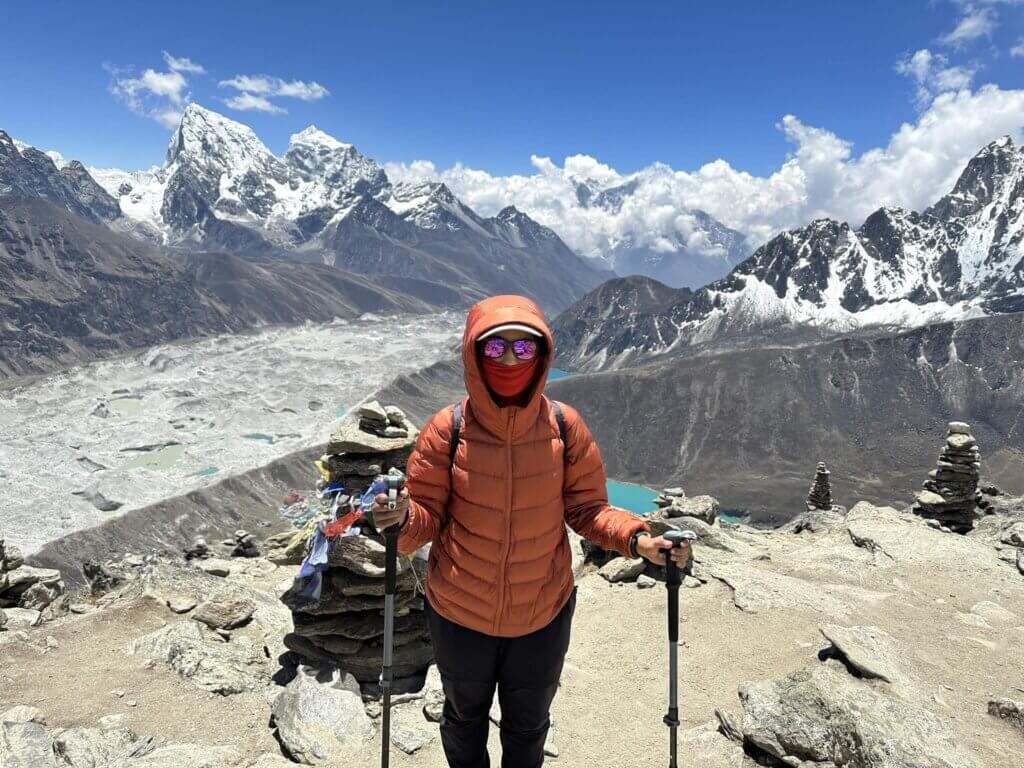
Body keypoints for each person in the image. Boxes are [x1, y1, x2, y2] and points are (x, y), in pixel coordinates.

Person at [369, 294, 691, 768]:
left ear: (543, 355)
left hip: (541, 613)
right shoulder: (448, 429)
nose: (509, 360)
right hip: (461, 613)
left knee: (528, 726)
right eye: (496, 348)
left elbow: (587, 509)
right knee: (463, 719)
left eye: (524, 349)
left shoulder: (564, 427)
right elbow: (424, 519)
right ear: (474, 354)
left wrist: (638, 539)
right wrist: (399, 521)